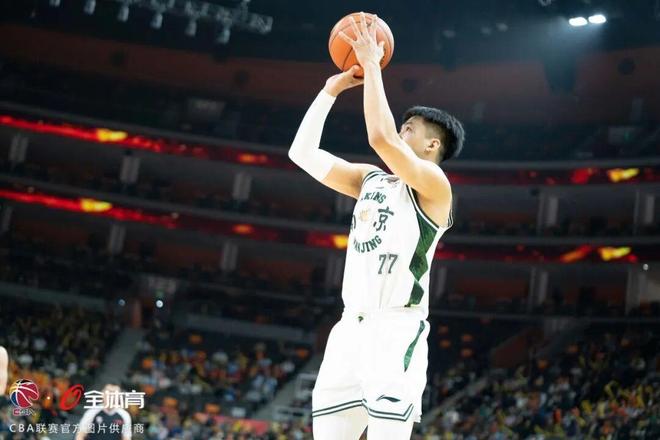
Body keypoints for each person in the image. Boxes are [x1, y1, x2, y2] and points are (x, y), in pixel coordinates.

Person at [288, 12, 465, 440]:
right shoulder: (371, 180)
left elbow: (381, 139)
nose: (400, 132)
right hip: (349, 329)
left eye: (410, 129)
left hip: (395, 330)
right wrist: (329, 91)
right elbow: (302, 153)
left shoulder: (435, 187)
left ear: (432, 144)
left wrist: (371, 64)